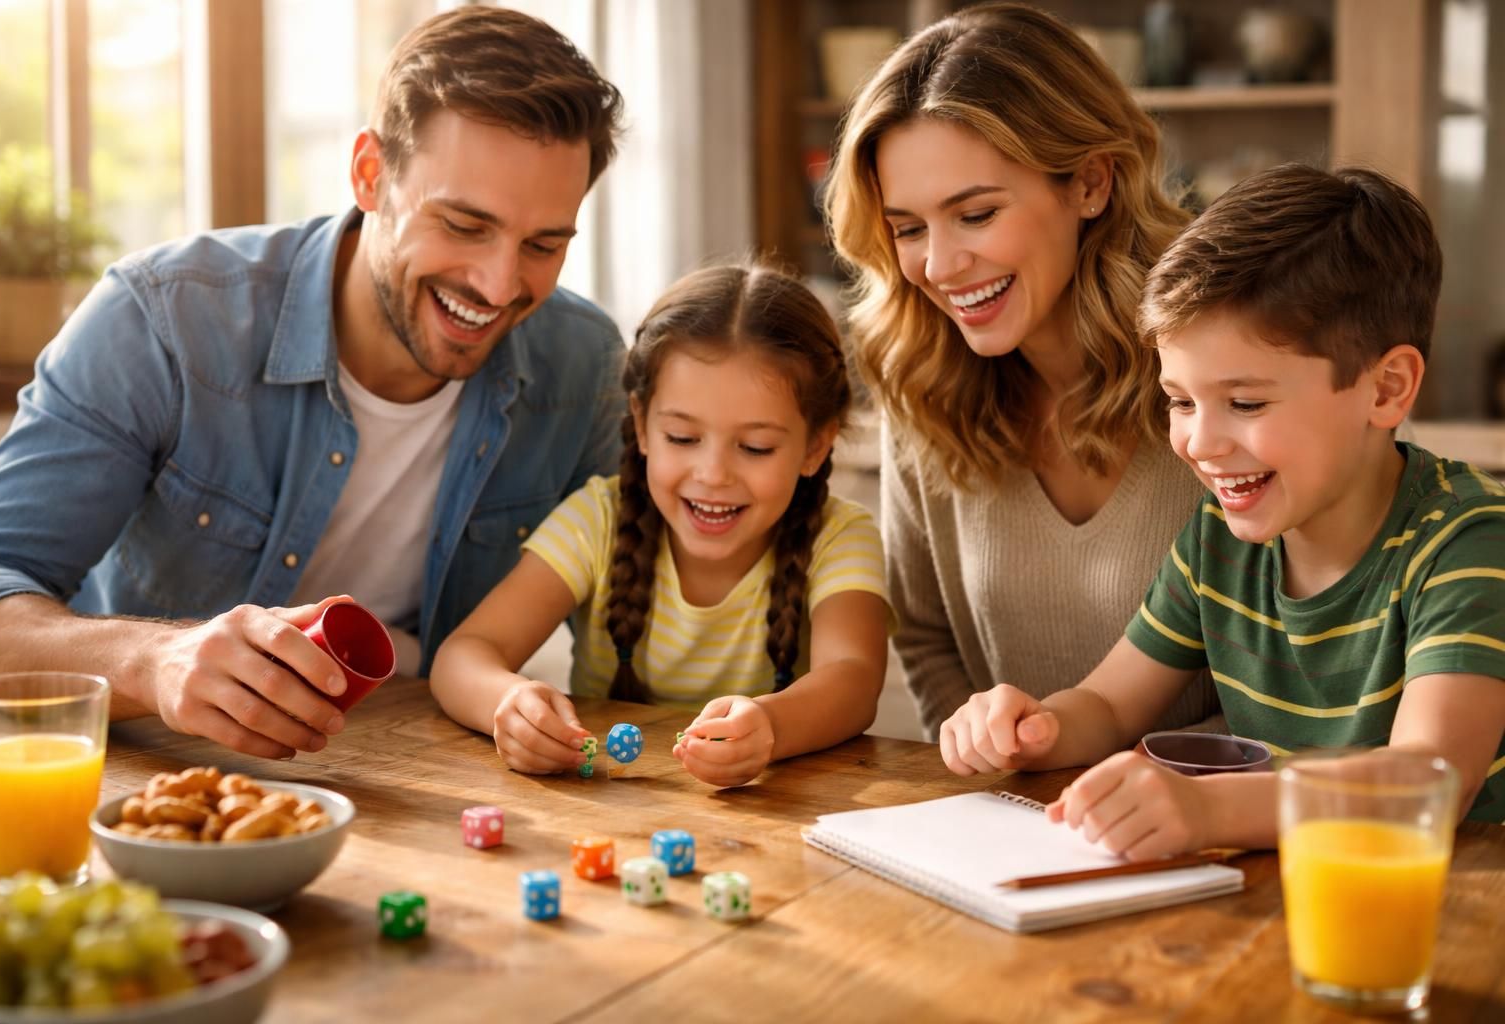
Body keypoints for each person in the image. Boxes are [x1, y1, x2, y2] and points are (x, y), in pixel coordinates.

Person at [0, 7, 627, 761]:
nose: (499, 283)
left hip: (426, 789)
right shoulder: (164, 320)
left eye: (543, 244)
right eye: (465, 226)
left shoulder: (581, 364)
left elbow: (647, 609)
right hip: (150, 789)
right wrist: (154, 662)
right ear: (371, 176)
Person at [940, 163, 1505, 856]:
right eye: (1179, 401)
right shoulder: (1219, 542)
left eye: (1246, 403)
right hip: (1285, 898)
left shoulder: (1467, 544)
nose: (1199, 443)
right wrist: (1035, 727)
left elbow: (1429, 783)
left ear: (1386, 389)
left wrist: (1209, 810)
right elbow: (1111, 704)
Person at [823, 2, 1218, 737]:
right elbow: (926, 635)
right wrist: (999, 767)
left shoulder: (1232, 367)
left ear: (1091, 183)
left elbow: (1322, 668)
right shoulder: (921, 380)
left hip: (1233, 818)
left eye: (975, 215)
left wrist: (1159, 789)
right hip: (1017, 823)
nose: (939, 267)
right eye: (908, 229)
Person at [430, 263, 892, 787]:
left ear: (816, 445)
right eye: (681, 438)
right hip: (608, 811)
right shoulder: (597, 521)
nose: (713, 474)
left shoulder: (838, 537)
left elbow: (854, 681)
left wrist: (771, 726)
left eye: (755, 447)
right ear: (642, 424)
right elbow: (463, 655)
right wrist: (508, 703)